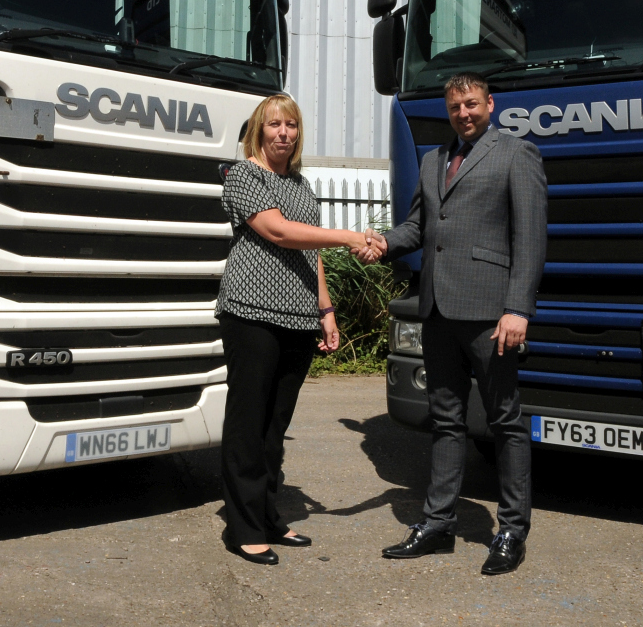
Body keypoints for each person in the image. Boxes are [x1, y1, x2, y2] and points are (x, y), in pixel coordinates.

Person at [359, 72, 546, 575]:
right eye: (455, 107)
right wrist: (383, 244)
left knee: (505, 422)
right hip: (438, 310)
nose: (463, 113)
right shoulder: (431, 160)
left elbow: (529, 237)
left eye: (471, 104)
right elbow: (420, 228)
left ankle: (510, 530)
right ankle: (438, 523)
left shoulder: (515, 153)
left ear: (490, 103)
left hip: (491, 314)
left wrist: (518, 309)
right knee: (445, 422)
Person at [216, 93, 376, 566]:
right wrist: (351, 235)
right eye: (273, 125)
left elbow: (311, 254)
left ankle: (267, 513)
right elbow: (280, 232)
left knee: (275, 426)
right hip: (251, 312)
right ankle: (243, 526)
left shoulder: (303, 186)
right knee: (248, 423)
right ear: (258, 131)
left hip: (299, 316)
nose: (282, 132)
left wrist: (325, 310)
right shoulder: (243, 174)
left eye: (290, 125)